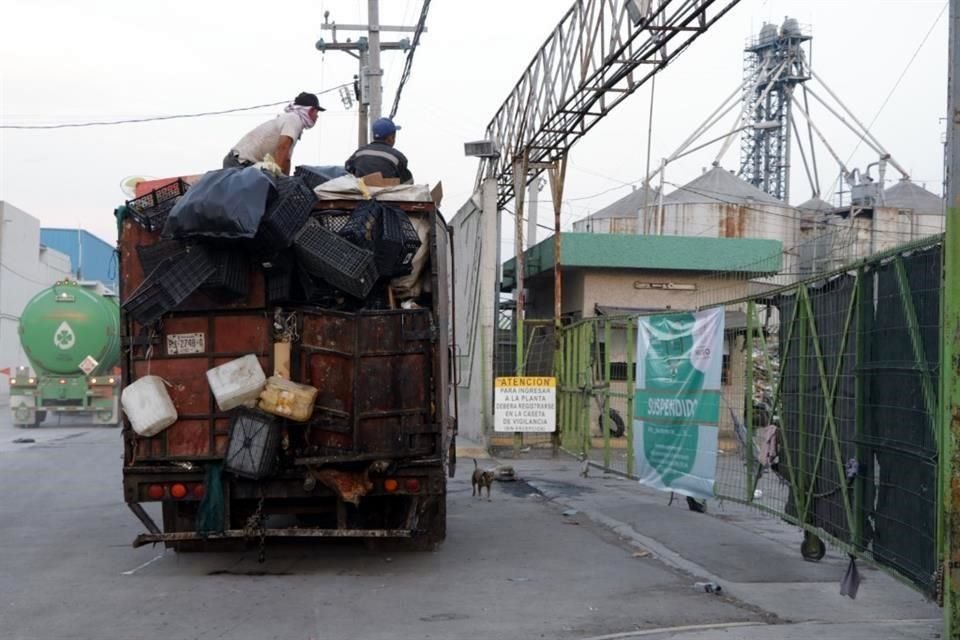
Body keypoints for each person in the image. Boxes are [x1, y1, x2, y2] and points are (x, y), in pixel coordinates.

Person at [223, 92, 324, 175]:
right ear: (311, 110)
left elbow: (286, 159)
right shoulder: (294, 119)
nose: (317, 116)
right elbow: (282, 148)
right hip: (240, 162)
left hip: (245, 164)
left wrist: (286, 180)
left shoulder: (292, 121)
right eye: (317, 112)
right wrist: (277, 177)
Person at [345, 117, 413, 184]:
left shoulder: (359, 153)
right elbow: (408, 182)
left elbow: (348, 167)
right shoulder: (398, 157)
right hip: (388, 193)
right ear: (390, 138)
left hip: (362, 192)